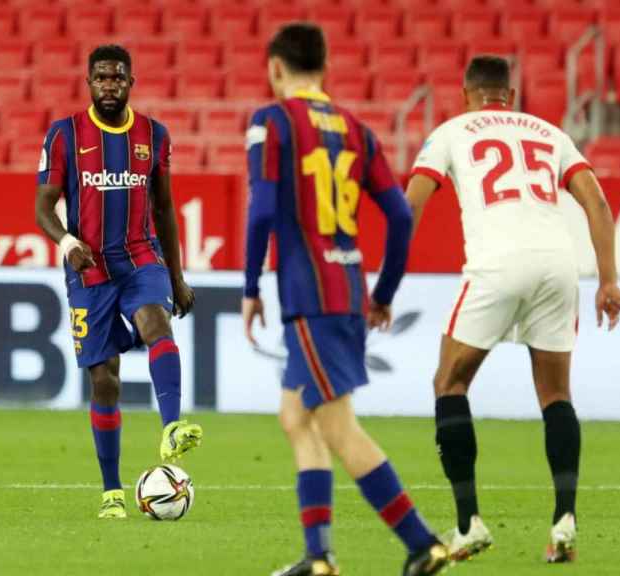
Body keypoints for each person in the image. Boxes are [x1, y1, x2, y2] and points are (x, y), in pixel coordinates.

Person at [243, 23, 450, 576]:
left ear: (276, 68)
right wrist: (382, 293)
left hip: (310, 295)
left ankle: (421, 542)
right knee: (295, 416)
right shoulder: (356, 129)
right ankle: (318, 557)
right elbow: (401, 215)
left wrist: (248, 289)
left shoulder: (272, 121)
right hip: (347, 287)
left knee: (337, 426)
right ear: (325, 67)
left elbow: (262, 210)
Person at [404, 55, 620, 563]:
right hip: (557, 265)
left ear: (467, 94)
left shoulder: (452, 130)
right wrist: (609, 279)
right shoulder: (549, 132)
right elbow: (596, 202)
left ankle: (468, 524)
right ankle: (564, 522)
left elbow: (413, 201)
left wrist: (390, 272)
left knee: (450, 384)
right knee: (555, 394)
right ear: (512, 94)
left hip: (497, 264)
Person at [35, 44, 202, 520]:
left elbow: (165, 207)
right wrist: (67, 243)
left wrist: (176, 273)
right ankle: (111, 491)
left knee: (157, 323)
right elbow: (43, 208)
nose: (110, 85)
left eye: (118, 78)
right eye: (102, 78)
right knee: (104, 380)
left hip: (140, 256)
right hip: (89, 271)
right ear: (89, 82)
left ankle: (172, 426)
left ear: (131, 82)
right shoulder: (65, 135)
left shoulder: (154, 134)